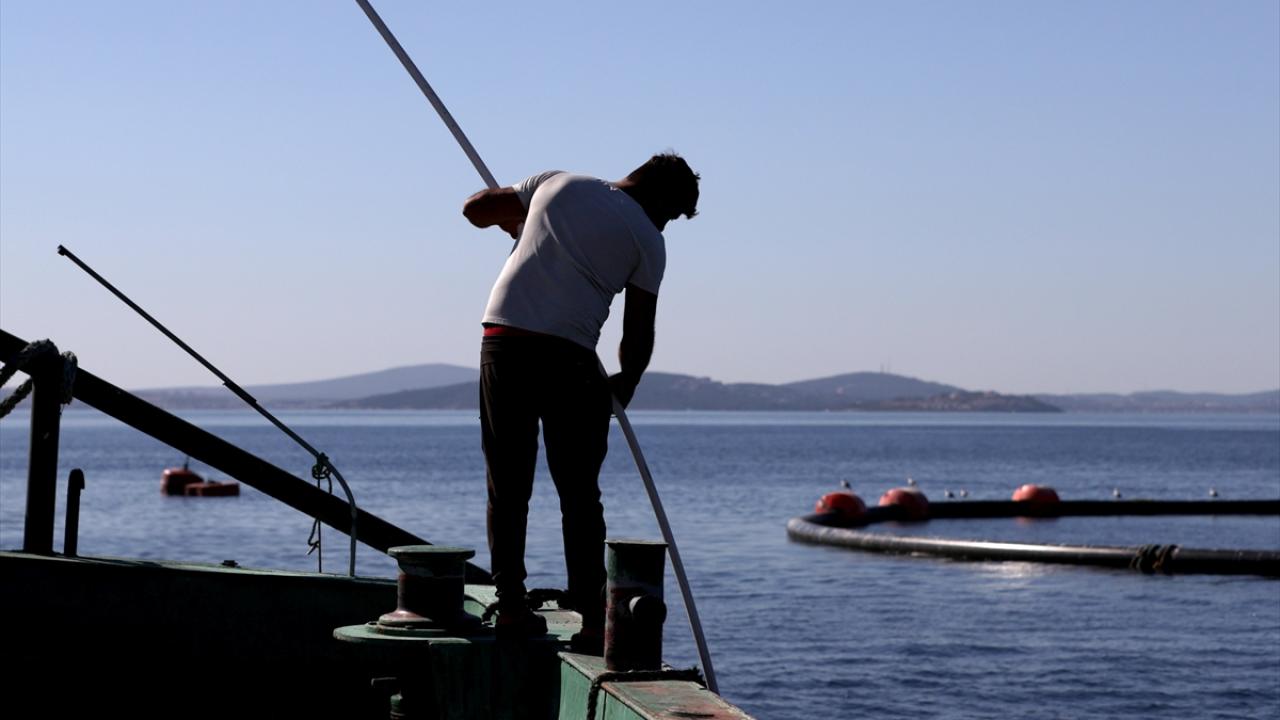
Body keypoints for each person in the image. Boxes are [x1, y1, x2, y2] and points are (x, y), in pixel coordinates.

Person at [462, 153, 700, 649]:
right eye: (672, 215)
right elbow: (638, 332)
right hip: (569, 356)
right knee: (579, 493)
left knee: (507, 482)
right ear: (660, 197)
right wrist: (626, 383)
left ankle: (510, 607)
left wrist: (524, 223)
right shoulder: (648, 240)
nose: (666, 225)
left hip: (503, 340)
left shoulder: (558, 183)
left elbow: (476, 209)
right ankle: (593, 619)